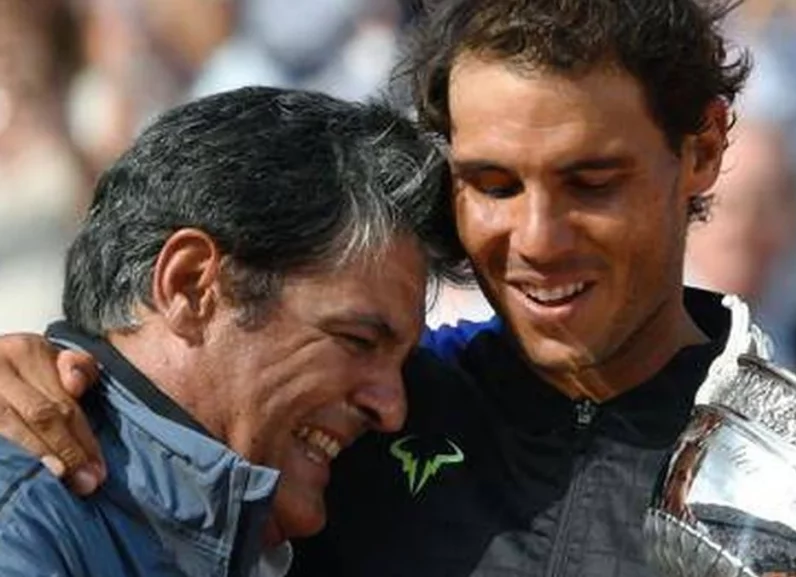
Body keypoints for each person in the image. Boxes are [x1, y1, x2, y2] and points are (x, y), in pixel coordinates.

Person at [0, 1, 754, 576]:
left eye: (591, 182)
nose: (537, 239)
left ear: (706, 148)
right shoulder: (345, 423)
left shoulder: (792, 489)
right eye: (491, 184)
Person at [0, 86, 464, 576]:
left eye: (401, 361)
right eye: (358, 341)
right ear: (190, 286)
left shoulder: (280, 519)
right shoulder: (24, 525)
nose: (392, 410)